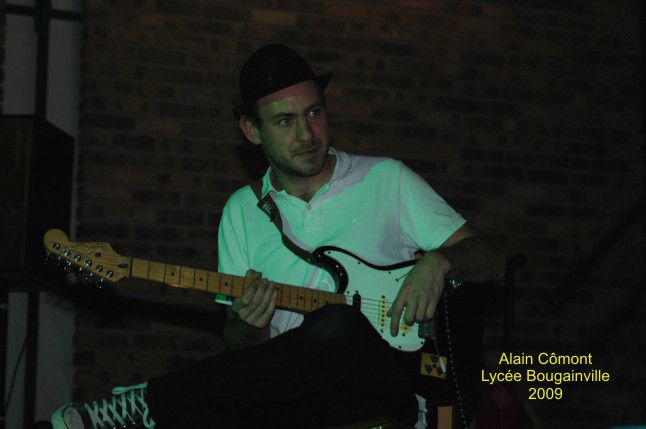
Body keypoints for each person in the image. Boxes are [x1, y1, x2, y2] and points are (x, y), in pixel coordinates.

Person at [51, 43, 505, 429]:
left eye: (314, 112)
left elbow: (490, 258)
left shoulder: (387, 179)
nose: (307, 133)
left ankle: (145, 405)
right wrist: (247, 324)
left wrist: (439, 262)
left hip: (392, 389)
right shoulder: (241, 212)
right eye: (285, 121)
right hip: (297, 404)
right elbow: (244, 351)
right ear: (252, 130)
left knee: (338, 324)